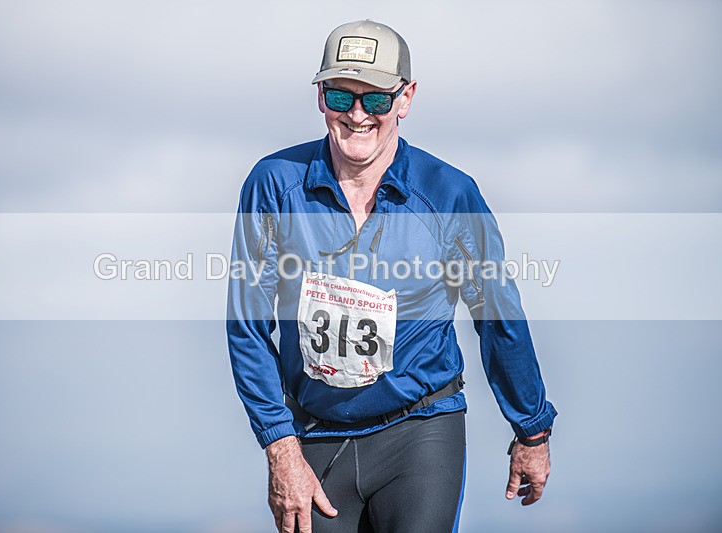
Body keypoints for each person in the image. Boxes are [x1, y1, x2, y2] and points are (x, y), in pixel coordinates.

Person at [227, 19, 557, 533]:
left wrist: (531, 430)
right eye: (341, 95)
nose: (357, 115)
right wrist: (280, 446)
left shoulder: (450, 194)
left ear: (406, 99)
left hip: (421, 432)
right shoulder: (272, 185)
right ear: (320, 96)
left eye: (376, 100)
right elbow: (246, 324)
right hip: (312, 437)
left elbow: (498, 318)